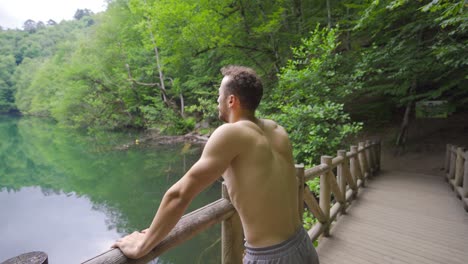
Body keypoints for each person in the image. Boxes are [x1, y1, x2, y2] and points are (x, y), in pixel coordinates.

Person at [112, 65, 319, 263]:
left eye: (218, 95)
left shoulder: (232, 133)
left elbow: (180, 194)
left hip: (272, 257)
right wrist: (158, 229)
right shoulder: (277, 131)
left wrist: (143, 245)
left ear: (231, 100)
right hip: (302, 244)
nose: (216, 100)